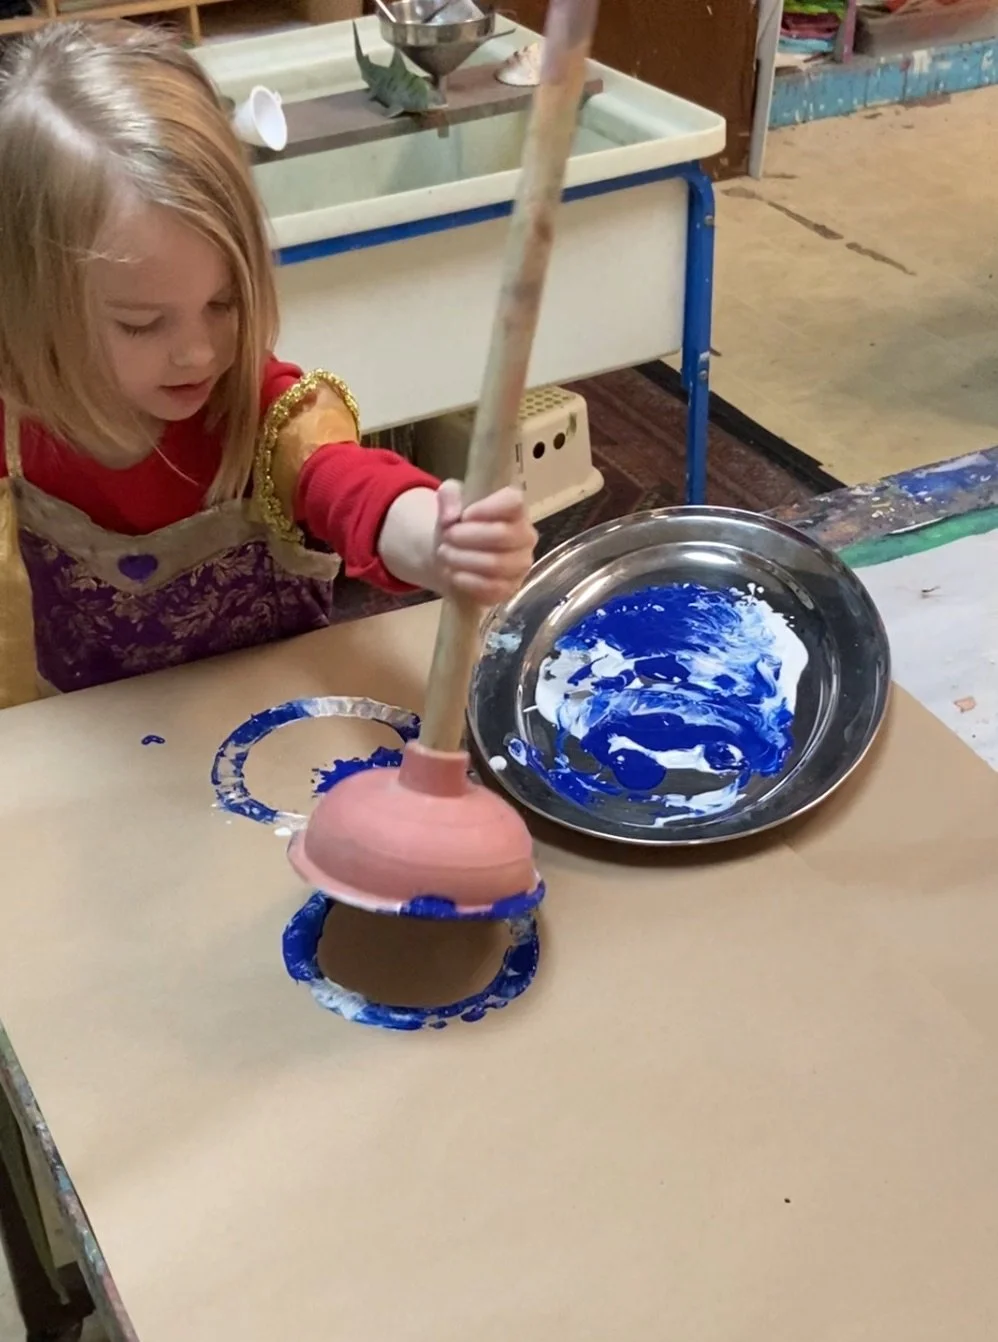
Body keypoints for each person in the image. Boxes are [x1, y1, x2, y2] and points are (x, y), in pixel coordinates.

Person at [0, 21, 537, 709]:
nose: (198, 353)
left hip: (276, 735)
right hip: (89, 752)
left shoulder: (261, 412)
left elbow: (348, 484)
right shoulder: (18, 422)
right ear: (33, 304)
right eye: (141, 323)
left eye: (225, 302)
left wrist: (431, 536)